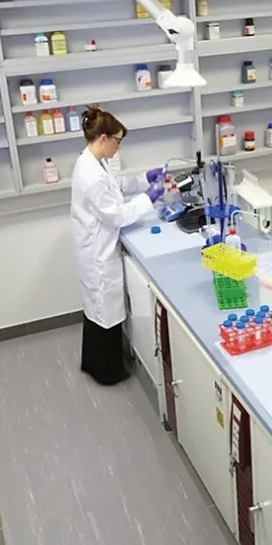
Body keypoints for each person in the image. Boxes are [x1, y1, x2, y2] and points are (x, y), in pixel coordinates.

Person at [70, 107, 165, 386]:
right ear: (104, 138)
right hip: (97, 252)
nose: (118, 147)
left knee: (98, 309)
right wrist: (149, 199)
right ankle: (106, 372)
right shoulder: (91, 174)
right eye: (118, 141)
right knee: (104, 310)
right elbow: (116, 215)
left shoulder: (92, 162)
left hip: (95, 245)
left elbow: (117, 185)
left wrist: (145, 179)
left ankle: (94, 363)